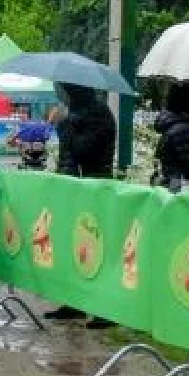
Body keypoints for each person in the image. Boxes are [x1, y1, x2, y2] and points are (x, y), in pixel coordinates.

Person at [48, 85, 118, 324]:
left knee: (96, 246)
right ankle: (73, 301)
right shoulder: (80, 113)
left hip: (95, 188)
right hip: (76, 188)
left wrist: (63, 124)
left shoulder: (98, 114)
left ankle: (105, 308)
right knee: (74, 245)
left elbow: (81, 150)